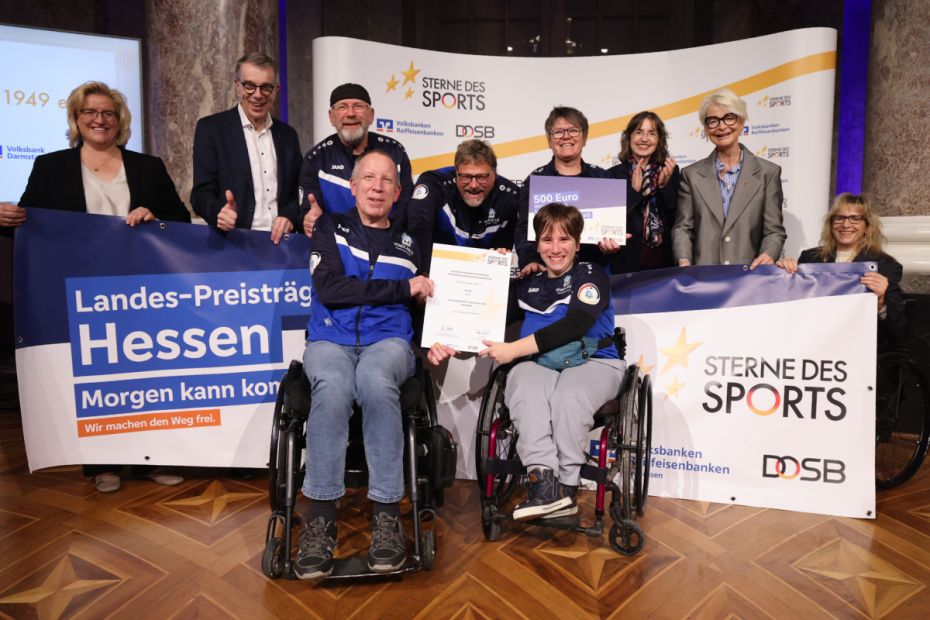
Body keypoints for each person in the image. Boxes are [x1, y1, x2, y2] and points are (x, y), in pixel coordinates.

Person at [0, 80, 190, 492]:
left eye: (107, 113)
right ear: (76, 118)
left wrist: (152, 211)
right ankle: (102, 463)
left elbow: (179, 219)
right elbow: (32, 226)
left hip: (144, 292)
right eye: (90, 113)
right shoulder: (51, 167)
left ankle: (153, 459)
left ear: (119, 120)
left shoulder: (148, 166)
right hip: (85, 295)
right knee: (100, 382)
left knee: (149, 378)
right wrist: (6, 220)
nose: (99, 120)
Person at [429, 203, 624, 520]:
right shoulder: (526, 284)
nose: (556, 248)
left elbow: (574, 324)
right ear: (536, 244)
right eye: (547, 240)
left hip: (595, 361)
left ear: (577, 243)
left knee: (568, 396)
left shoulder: (591, 275)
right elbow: (480, 320)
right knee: (522, 387)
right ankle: (543, 482)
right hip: (540, 363)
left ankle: (567, 485)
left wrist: (515, 349)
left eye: (564, 240)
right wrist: (447, 339)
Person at [295, 150, 434, 579]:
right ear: (352, 188)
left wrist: (439, 341)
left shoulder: (412, 244)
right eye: (368, 179)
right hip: (330, 339)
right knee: (334, 387)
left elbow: (429, 298)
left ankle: (388, 518)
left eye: (386, 181)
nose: (377, 187)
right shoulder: (330, 227)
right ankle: (319, 521)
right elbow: (331, 289)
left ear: (398, 192)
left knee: (375, 381)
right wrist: (399, 289)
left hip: (388, 342)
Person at [190, 52, 302, 244]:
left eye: (266, 87)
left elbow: (296, 193)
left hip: (283, 246)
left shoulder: (288, 135)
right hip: (234, 245)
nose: (258, 95)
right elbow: (200, 195)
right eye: (249, 86)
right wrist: (219, 212)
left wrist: (289, 216)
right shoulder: (212, 129)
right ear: (237, 87)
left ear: (276, 90)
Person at [672, 88, 785, 268]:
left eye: (729, 118)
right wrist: (684, 261)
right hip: (704, 279)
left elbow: (773, 231)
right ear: (706, 129)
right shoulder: (691, 175)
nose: (722, 126)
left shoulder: (767, 173)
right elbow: (683, 228)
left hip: (749, 278)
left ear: (741, 123)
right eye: (713, 121)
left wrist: (768, 254)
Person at [776, 193, 905, 346]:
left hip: (857, 348)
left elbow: (898, 331)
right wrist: (783, 276)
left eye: (855, 218)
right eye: (839, 218)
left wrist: (881, 303)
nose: (845, 225)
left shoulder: (885, 265)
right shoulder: (810, 258)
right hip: (812, 344)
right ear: (831, 224)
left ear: (867, 226)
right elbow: (791, 310)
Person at [299, 83, 413, 236]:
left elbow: (406, 208)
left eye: (358, 106)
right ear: (331, 117)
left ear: (371, 115)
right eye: (342, 107)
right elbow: (307, 212)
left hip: (387, 245)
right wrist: (308, 220)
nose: (351, 113)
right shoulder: (316, 159)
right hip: (336, 248)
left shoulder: (395, 152)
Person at [516, 106, 621, 272]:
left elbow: (613, 230)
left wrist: (613, 244)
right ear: (549, 141)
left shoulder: (603, 179)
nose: (566, 136)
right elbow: (524, 229)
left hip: (594, 271)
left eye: (573, 130)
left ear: (584, 138)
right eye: (558, 132)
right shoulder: (536, 181)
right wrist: (529, 260)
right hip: (548, 274)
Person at [406, 139, 519, 273]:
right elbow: (418, 224)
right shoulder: (435, 183)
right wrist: (423, 272)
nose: (473, 185)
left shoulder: (509, 195)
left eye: (482, 177)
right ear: (456, 172)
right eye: (466, 176)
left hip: (484, 278)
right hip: (434, 274)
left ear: (494, 173)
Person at [608, 111, 680, 272]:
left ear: (659, 140)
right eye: (639, 132)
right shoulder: (612, 175)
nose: (644, 139)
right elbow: (610, 223)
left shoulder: (671, 172)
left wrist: (663, 187)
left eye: (652, 133)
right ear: (629, 138)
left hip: (664, 262)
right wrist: (634, 191)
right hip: (626, 264)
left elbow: (679, 219)